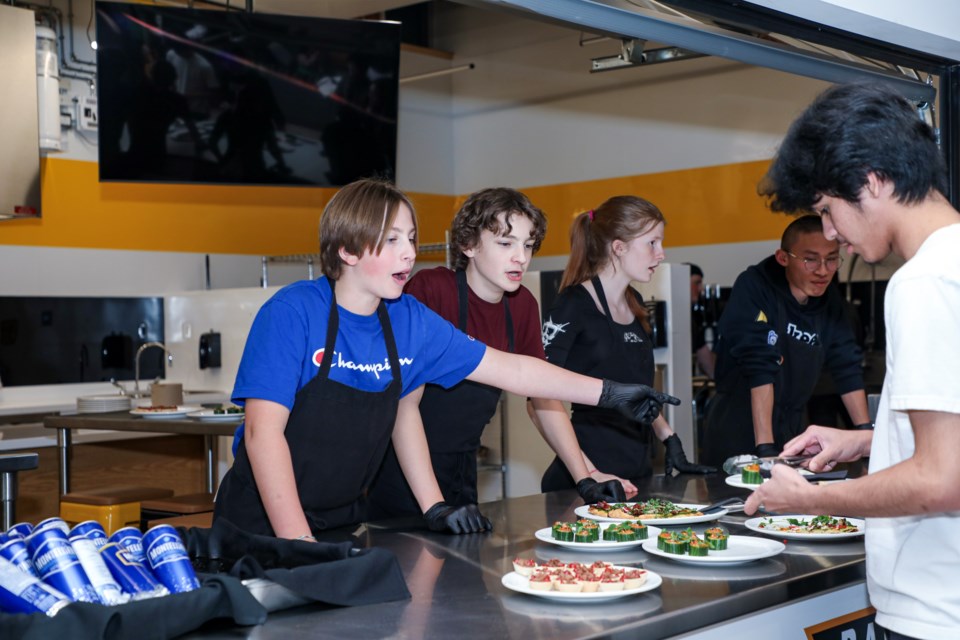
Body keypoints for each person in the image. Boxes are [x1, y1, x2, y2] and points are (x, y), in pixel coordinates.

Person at [213, 178, 679, 540]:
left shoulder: (409, 320)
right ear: (348, 249)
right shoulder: (293, 311)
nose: (409, 253)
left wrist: (609, 392)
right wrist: (298, 542)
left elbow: (516, 371)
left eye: (411, 239)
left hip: (342, 520)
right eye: (392, 240)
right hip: (262, 521)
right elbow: (262, 433)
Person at [743, 82, 960, 640]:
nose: (832, 233)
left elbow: (943, 480)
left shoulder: (923, 282)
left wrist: (809, 498)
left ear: (871, 179)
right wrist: (869, 440)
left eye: (827, 210)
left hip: (935, 612)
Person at [368, 188, 630, 520]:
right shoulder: (432, 290)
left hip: (463, 469)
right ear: (469, 245)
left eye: (528, 245)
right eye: (506, 244)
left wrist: (585, 477)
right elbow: (403, 405)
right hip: (401, 472)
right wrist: (434, 506)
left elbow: (543, 397)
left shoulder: (521, 306)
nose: (521, 257)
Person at [538, 195, 715, 493]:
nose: (661, 254)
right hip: (583, 483)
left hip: (636, 473)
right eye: (652, 243)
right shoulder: (573, 304)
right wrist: (589, 473)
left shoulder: (633, 302)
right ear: (618, 247)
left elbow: (635, 389)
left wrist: (669, 438)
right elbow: (538, 398)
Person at [701, 215, 872, 467]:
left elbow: (846, 365)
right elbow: (759, 367)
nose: (823, 270)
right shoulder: (754, 286)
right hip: (739, 428)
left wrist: (866, 437)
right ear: (783, 258)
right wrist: (767, 451)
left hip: (792, 431)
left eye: (832, 259)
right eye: (810, 260)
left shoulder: (830, 301)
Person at [685, 262, 716, 378]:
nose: (700, 289)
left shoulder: (693, 315)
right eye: (697, 283)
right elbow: (705, 359)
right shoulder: (683, 316)